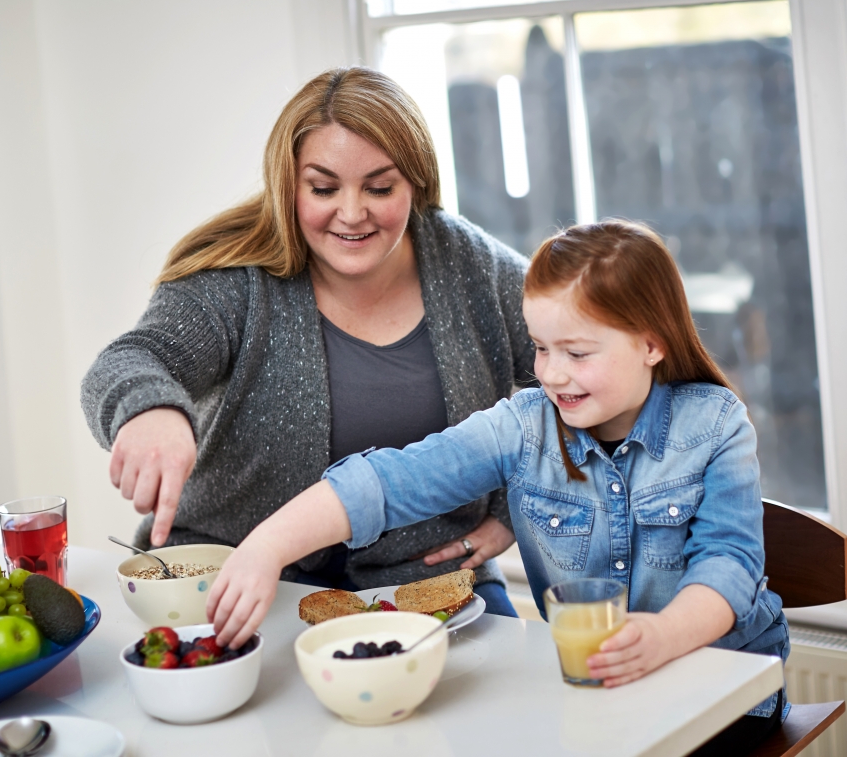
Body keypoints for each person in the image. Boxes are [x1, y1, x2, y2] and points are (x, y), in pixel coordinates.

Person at [205, 220, 790, 749]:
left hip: (722, 695)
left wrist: (663, 635)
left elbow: (730, 562)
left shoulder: (714, 423)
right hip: (601, 698)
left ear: (651, 344)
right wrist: (268, 546)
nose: (552, 373)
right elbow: (391, 481)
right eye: (540, 348)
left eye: (578, 352)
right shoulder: (523, 425)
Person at [80, 67, 534, 616]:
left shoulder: (473, 269)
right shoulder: (236, 280)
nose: (351, 212)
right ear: (289, 185)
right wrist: (149, 410)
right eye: (323, 188)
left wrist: (517, 507)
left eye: (380, 187)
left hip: (429, 577)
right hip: (234, 572)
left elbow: (585, 377)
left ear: (416, 183)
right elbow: (132, 359)